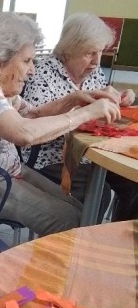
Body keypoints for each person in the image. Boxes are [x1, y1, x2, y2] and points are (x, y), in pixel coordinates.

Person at [0, 11, 121, 237]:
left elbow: (32, 114)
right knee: (72, 220)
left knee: (80, 210)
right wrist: (85, 113)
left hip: (8, 169)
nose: (32, 70)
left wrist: (74, 99)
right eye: (27, 61)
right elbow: (23, 133)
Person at [22, 12, 137, 221]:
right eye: (90, 53)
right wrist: (77, 106)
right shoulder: (41, 73)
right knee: (98, 195)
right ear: (69, 49)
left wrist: (119, 98)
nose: (96, 61)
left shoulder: (94, 72)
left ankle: (120, 237)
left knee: (134, 184)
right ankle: (80, 240)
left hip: (93, 154)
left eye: (100, 52)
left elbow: (100, 107)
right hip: (51, 157)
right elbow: (33, 121)